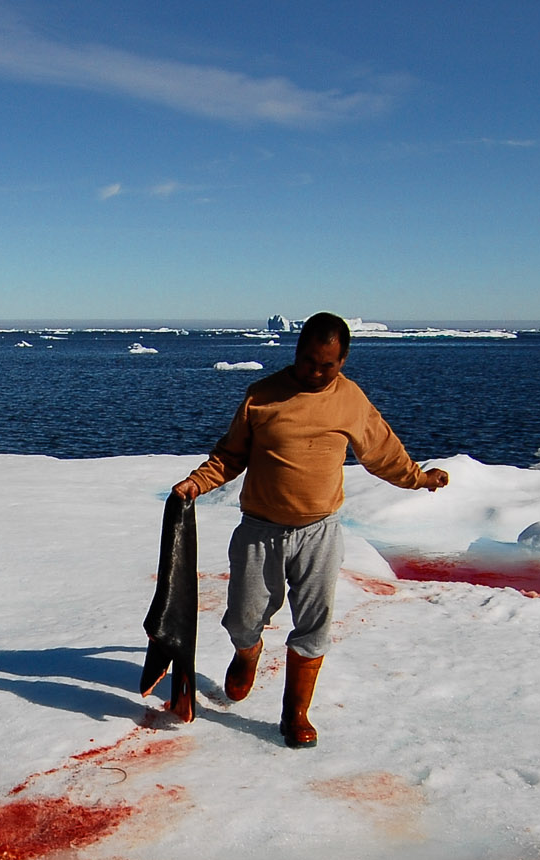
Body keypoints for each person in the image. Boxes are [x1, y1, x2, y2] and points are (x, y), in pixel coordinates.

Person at [170, 312, 448, 747]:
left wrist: (419, 478)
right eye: (308, 361)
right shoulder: (262, 396)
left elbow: (383, 453)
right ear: (296, 352)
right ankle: (248, 652)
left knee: (314, 624)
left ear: (343, 360)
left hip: (320, 532)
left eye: (327, 365)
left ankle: (295, 714)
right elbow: (229, 455)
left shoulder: (351, 400)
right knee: (244, 618)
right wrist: (196, 482)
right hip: (260, 530)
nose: (316, 372)